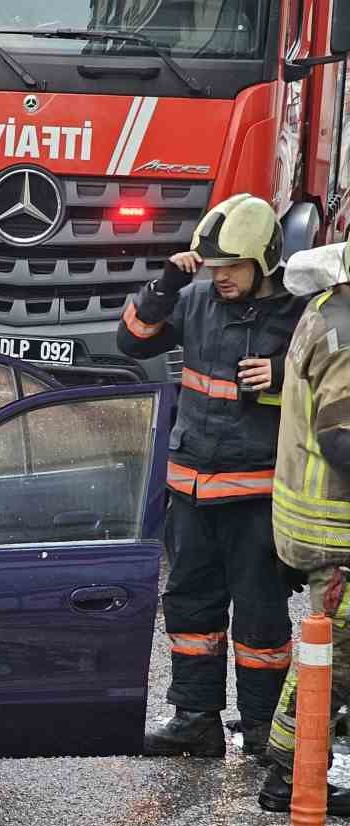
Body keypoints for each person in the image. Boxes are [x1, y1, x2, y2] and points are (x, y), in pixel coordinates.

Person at [118, 194, 308, 757]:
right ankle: (196, 719)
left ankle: (261, 732)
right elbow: (130, 340)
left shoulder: (299, 313)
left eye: (233, 268)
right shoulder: (195, 299)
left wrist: (280, 376)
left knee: (260, 621)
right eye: (215, 267)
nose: (221, 278)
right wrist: (163, 287)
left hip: (256, 499)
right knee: (191, 609)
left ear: (265, 260)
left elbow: (332, 382)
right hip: (192, 491)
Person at [261, 238, 350, 813]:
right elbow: (341, 436)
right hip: (338, 531)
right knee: (335, 654)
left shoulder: (325, 307)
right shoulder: (348, 330)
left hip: (314, 522)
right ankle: (288, 777)